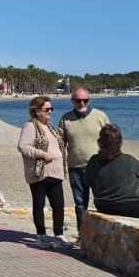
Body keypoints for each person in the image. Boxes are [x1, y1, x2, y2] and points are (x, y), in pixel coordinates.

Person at [17, 95, 71, 249]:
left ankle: (58, 236)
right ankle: (41, 236)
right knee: (39, 205)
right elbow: (23, 146)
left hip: (56, 173)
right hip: (39, 173)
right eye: (46, 109)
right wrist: (42, 154)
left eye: (51, 109)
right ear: (37, 111)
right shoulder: (30, 126)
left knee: (58, 206)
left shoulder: (51, 127)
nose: (50, 112)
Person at [86, 124, 139, 225]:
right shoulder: (129, 160)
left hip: (103, 205)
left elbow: (88, 181)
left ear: (100, 142)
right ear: (119, 143)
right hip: (131, 204)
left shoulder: (93, 161)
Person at [58, 87, 110, 241]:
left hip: (99, 167)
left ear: (89, 100)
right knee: (80, 204)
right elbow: (60, 144)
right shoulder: (65, 119)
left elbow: (111, 140)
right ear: (72, 101)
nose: (82, 103)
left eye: (85, 100)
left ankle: (103, 237)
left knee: (102, 202)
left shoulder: (100, 116)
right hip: (75, 168)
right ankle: (82, 237)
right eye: (78, 100)